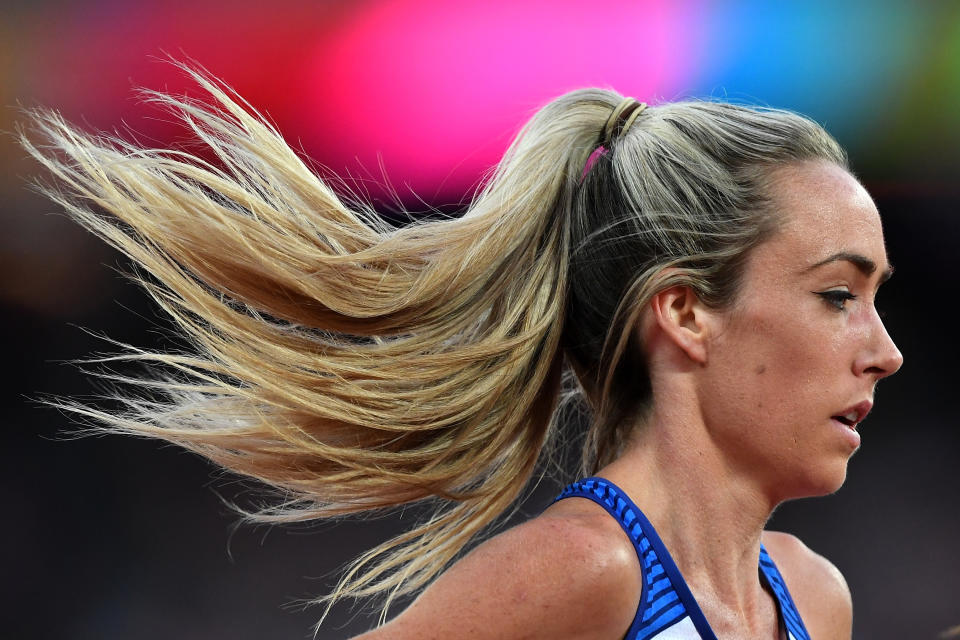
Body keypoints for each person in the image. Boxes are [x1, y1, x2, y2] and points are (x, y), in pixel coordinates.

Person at [20, 60, 901, 639]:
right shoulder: (583, 572)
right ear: (684, 312)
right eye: (836, 295)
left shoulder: (814, 600)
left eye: (876, 300)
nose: (885, 351)